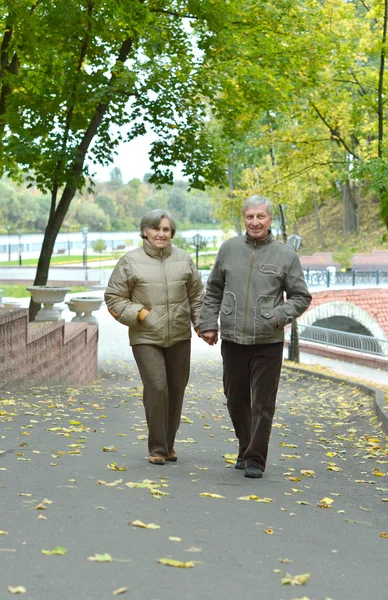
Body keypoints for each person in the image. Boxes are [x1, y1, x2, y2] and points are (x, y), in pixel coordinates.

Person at [198, 195, 312, 478]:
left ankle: (255, 459)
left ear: (269, 220)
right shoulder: (229, 249)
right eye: (250, 217)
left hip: (268, 342)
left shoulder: (286, 255)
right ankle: (245, 445)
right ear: (244, 219)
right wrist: (208, 323)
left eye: (260, 217)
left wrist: (277, 316)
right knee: (235, 398)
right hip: (233, 339)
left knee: (263, 402)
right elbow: (213, 290)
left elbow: (300, 297)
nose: (255, 222)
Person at [105, 209, 204, 465]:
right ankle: (157, 448)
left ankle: (169, 444)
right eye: (156, 229)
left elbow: (197, 296)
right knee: (157, 387)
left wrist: (202, 325)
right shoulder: (129, 261)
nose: (161, 234)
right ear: (145, 231)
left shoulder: (184, 259)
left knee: (176, 390)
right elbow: (114, 298)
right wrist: (141, 315)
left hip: (180, 335)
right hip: (146, 336)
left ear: (172, 233)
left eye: (166, 230)